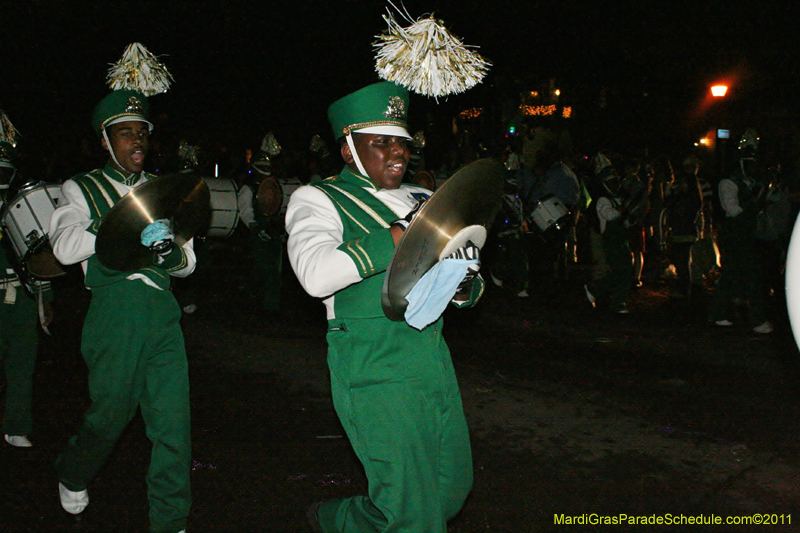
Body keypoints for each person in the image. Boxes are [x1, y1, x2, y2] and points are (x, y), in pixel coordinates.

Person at [286, 81, 483, 532]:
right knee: (414, 514)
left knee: (449, 491)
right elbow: (315, 276)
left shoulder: (422, 199)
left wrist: (463, 283)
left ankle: (341, 519)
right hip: (372, 361)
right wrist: (399, 235)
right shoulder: (318, 198)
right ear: (349, 150)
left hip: (431, 357)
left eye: (402, 143)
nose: (397, 152)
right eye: (381, 143)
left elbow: (463, 283)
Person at [49, 87, 195, 533]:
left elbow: (188, 264)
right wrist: (123, 228)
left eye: (142, 133)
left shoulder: (162, 190)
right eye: (125, 133)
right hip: (115, 312)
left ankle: (170, 521)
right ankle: (74, 468)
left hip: (162, 313)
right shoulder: (82, 186)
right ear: (105, 141)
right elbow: (64, 246)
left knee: (174, 429)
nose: (136, 141)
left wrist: (169, 248)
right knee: (110, 415)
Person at [0, 127, 54, 448]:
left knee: (22, 362)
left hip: (22, 294)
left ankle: (16, 424)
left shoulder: (24, 200)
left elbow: (40, 252)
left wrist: (46, 296)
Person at [707, 129, 773, 334]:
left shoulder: (750, 183)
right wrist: (756, 202)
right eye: (750, 163)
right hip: (734, 238)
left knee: (730, 278)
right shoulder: (728, 183)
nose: (754, 168)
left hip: (746, 236)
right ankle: (757, 321)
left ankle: (718, 314)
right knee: (752, 278)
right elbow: (734, 210)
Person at [584, 155, 633, 314]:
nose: (616, 185)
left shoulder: (617, 200)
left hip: (621, 241)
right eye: (612, 182)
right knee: (620, 272)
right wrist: (623, 210)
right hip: (611, 243)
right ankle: (595, 290)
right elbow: (610, 216)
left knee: (626, 273)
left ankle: (618, 302)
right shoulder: (603, 201)